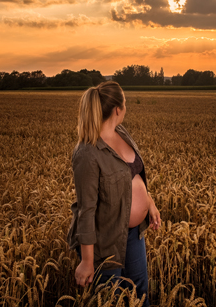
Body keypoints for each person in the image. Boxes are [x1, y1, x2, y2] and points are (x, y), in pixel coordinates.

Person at [67, 80, 161, 307]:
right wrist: (88, 261)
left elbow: (134, 174)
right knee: (110, 300)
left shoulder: (122, 133)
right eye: (126, 103)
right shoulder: (88, 153)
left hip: (133, 235)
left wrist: (150, 203)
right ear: (118, 109)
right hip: (105, 241)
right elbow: (86, 211)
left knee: (140, 294)